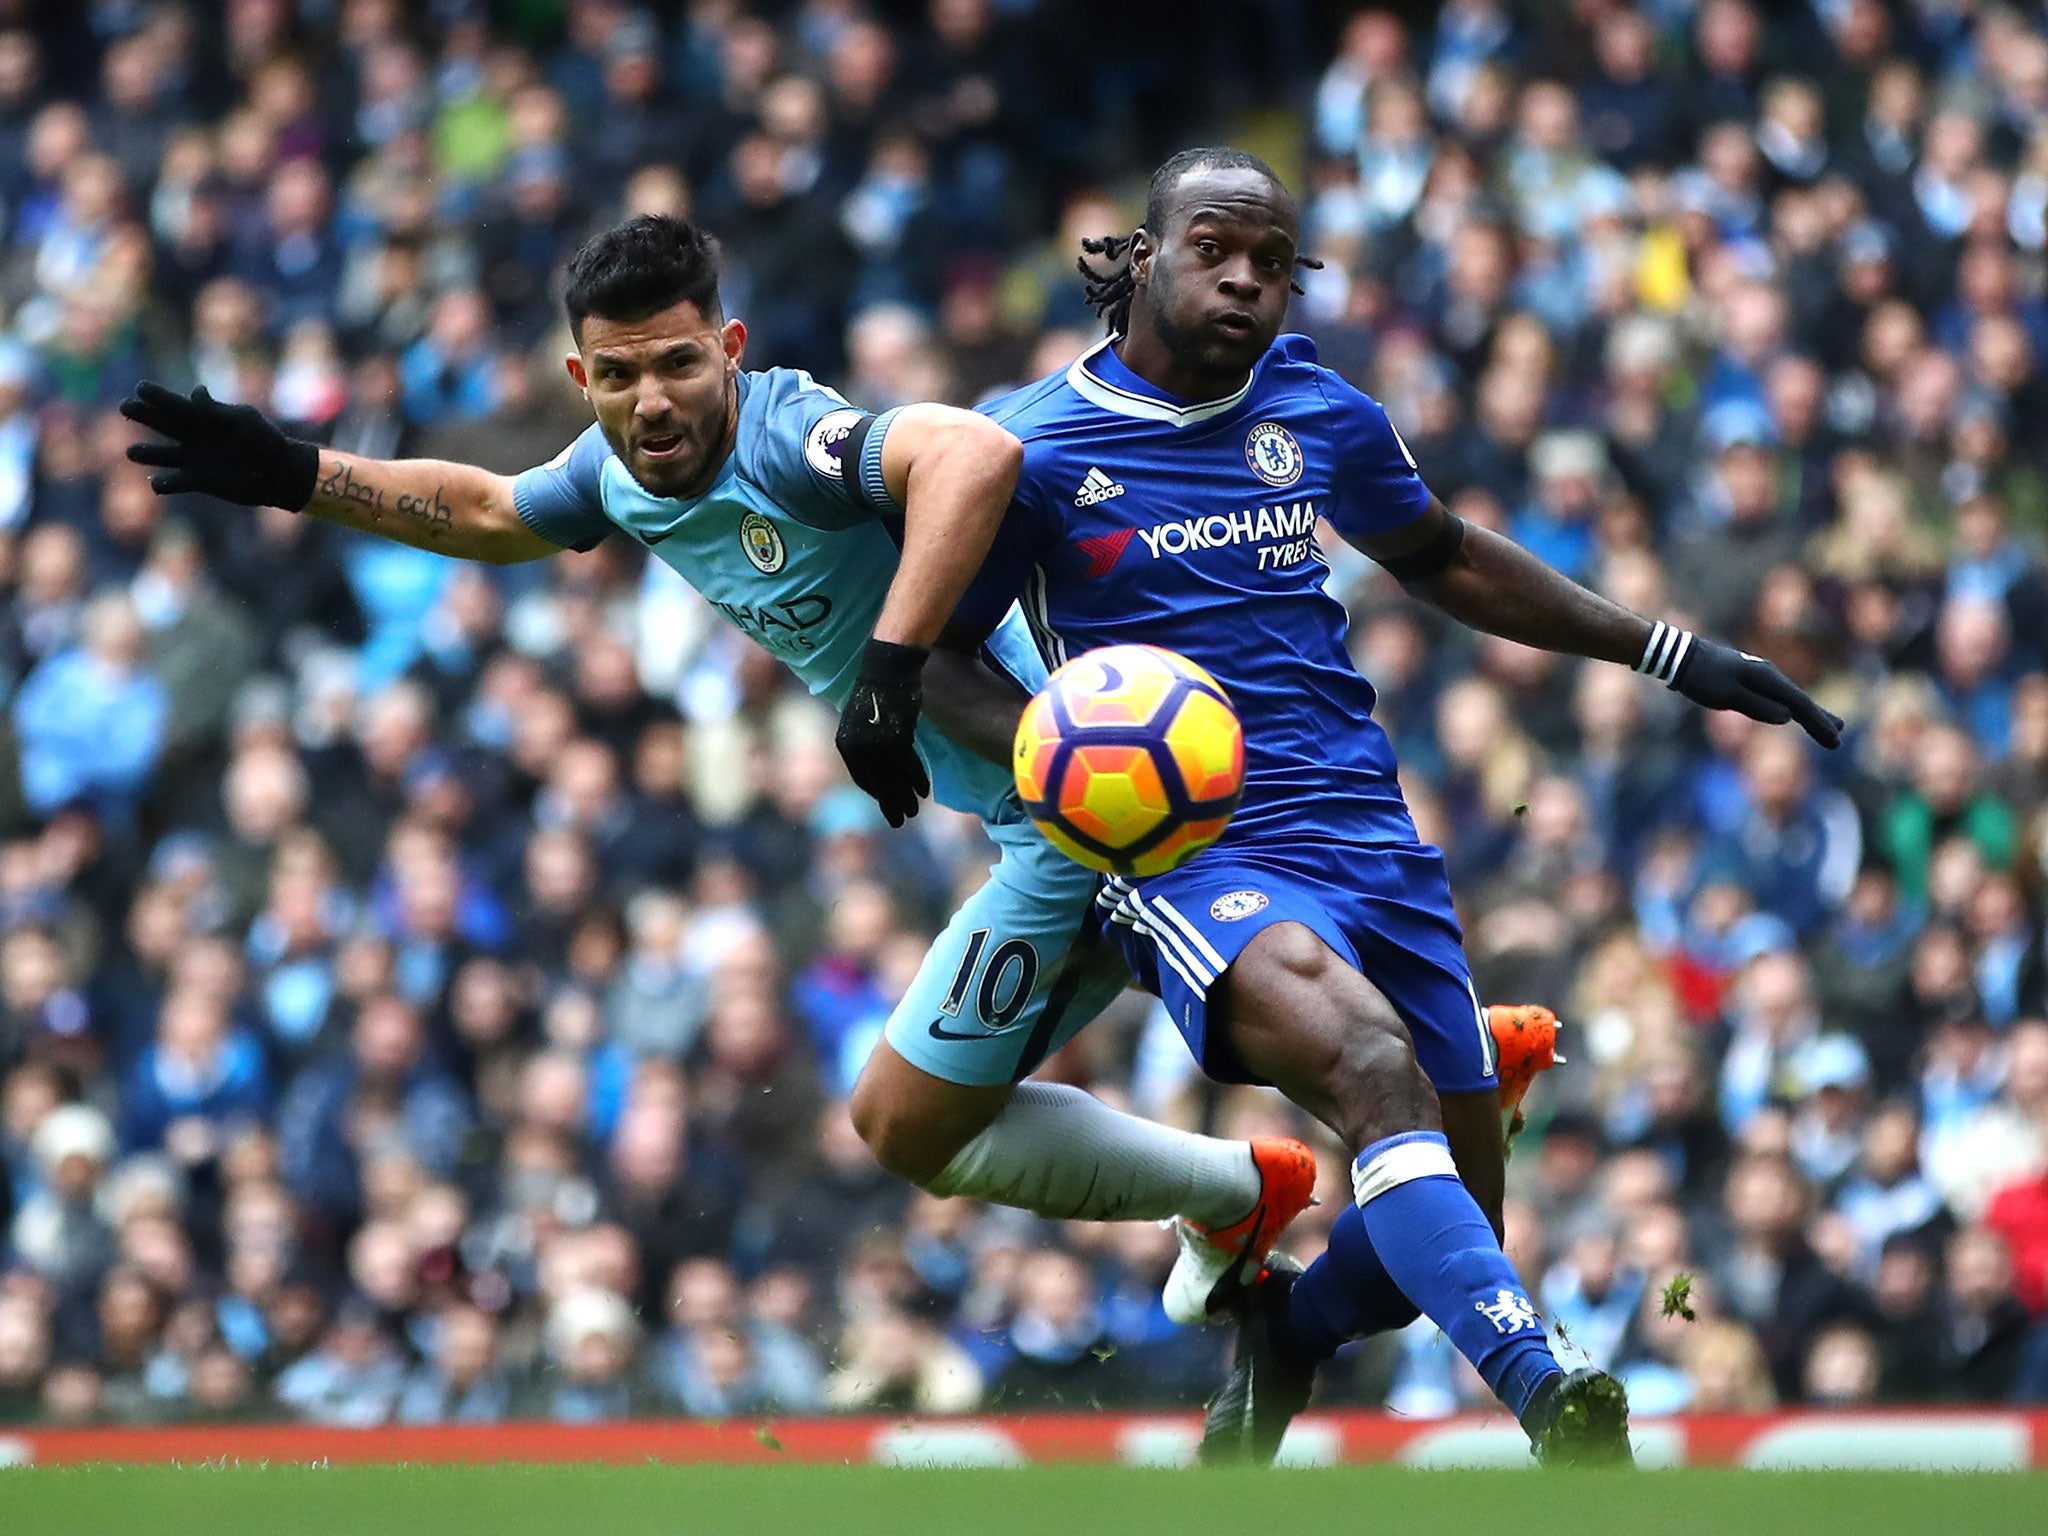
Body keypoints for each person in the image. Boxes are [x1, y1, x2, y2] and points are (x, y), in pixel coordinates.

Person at [118, 213, 1316, 1323]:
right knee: (1199, 1010)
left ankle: (1238, 1189)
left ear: (729, 350)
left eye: (680, 363)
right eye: (621, 374)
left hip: (1069, 806)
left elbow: (969, 455)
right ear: (580, 380)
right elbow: (487, 512)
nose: (653, 400)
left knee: (905, 1123)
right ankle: (1411, 1074)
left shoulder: (788, 439)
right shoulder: (614, 473)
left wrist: (890, 675)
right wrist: (293, 474)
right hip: (1038, 815)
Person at [874, 147, 1846, 1466]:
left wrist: (1670, 653)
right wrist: (1057, 746)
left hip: (1369, 836)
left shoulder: (1316, 410)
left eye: (1275, 264)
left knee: (1439, 1217)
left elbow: (1439, 554)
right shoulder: (1037, 449)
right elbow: (930, 654)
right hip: (1195, 855)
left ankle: (1292, 1330)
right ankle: (1549, 1387)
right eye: (1216, 249)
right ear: (1146, 256)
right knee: (1369, 1071)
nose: (1247, 283)